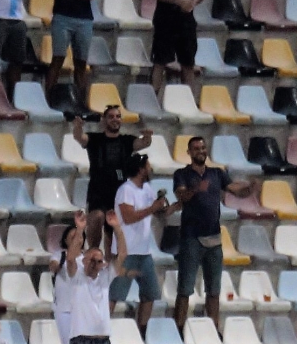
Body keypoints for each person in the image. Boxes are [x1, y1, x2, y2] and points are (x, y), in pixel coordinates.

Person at [169, 136, 251, 332]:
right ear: (189, 153)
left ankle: (213, 329)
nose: (201, 151)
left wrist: (249, 188)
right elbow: (182, 196)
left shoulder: (216, 173)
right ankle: (178, 329)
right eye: (196, 148)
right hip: (191, 238)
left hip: (214, 237)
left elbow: (234, 189)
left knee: (214, 289)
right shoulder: (182, 174)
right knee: (185, 288)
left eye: (203, 147)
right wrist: (196, 189)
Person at [73, 105, 152, 256]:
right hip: (98, 191)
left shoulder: (127, 141)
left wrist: (147, 136)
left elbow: (144, 143)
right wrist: (77, 127)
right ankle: (93, 253)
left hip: (119, 192)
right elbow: (79, 137)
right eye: (111, 116)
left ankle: (111, 266)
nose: (115, 119)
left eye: (118, 116)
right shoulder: (95, 139)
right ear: (104, 121)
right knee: (97, 217)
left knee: (113, 234)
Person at [53, 229, 116, 344]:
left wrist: (117, 229)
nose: (95, 264)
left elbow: (122, 257)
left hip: (103, 341)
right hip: (80, 340)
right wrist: (80, 229)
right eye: (91, 260)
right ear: (84, 261)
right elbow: (71, 258)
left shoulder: (105, 278)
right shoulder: (76, 277)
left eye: (99, 261)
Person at [109, 157, 168, 330]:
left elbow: (156, 213)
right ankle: (100, 331)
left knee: (150, 293)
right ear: (141, 169)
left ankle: (142, 330)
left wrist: (173, 206)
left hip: (144, 251)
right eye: (148, 165)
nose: (151, 168)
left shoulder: (148, 188)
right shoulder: (126, 190)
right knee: (114, 294)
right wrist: (153, 208)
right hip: (125, 251)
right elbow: (128, 217)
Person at [45, 0, 100, 111]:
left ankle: (80, 101)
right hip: (63, 18)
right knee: (58, 59)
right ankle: (49, 98)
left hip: (84, 19)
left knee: (81, 63)